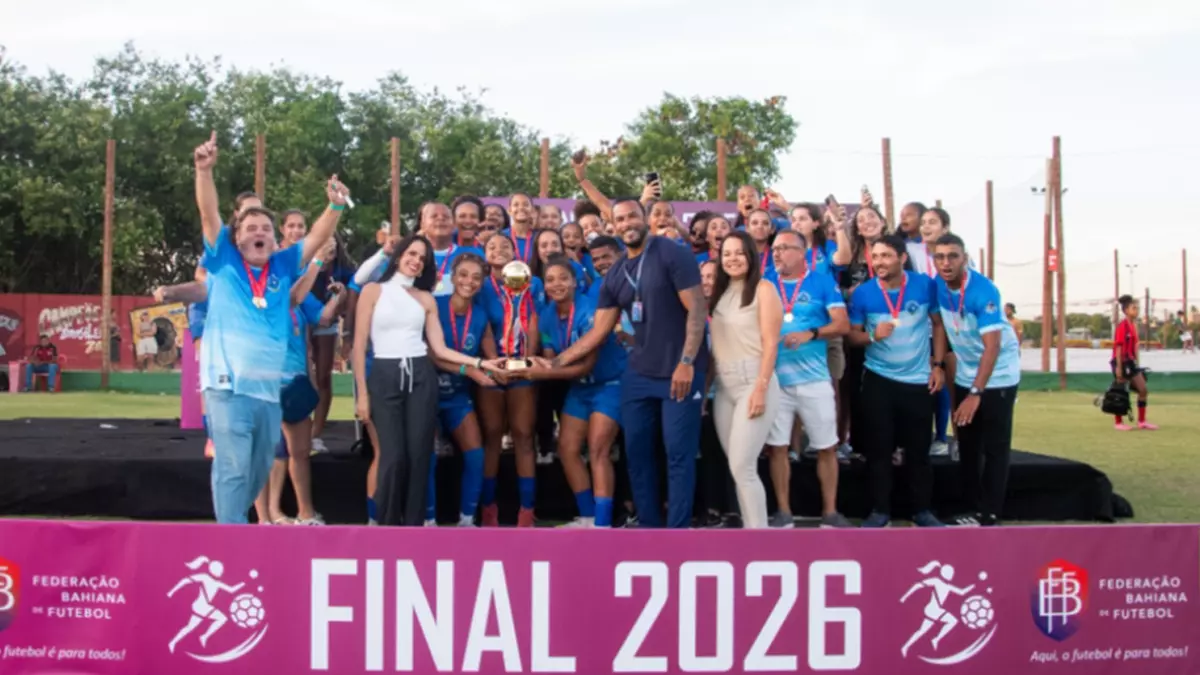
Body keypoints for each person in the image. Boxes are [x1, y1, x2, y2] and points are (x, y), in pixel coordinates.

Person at [192, 130, 344, 524]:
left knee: (261, 462)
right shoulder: (223, 259)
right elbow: (209, 215)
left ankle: (241, 524)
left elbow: (316, 238)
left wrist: (335, 206)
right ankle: (231, 538)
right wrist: (204, 172)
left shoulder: (281, 265)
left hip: (267, 387)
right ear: (236, 236)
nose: (258, 232)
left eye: (265, 229)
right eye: (250, 228)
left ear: (275, 240)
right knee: (232, 463)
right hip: (226, 384)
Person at [552, 197, 708, 529]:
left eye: (633, 216)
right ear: (613, 225)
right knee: (636, 454)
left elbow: (696, 310)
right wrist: (556, 361)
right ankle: (649, 528)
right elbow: (598, 331)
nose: (627, 224)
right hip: (639, 373)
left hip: (679, 368)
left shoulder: (671, 253)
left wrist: (687, 361)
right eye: (620, 219)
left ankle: (678, 532)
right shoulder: (615, 274)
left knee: (677, 454)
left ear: (646, 217)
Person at [352, 234, 503, 526]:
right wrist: (361, 394)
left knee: (420, 457)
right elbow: (359, 345)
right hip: (384, 374)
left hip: (421, 376)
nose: (415, 261)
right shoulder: (373, 291)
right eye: (411, 254)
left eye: (422, 258)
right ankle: (384, 526)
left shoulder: (425, 299)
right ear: (398, 255)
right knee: (392, 456)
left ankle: (414, 527)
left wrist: (480, 362)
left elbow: (440, 349)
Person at [847, 235, 947, 528]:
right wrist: (871, 336)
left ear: (902, 258)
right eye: (874, 257)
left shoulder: (924, 285)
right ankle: (880, 511)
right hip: (879, 379)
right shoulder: (863, 294)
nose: (878, 262)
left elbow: (938, 325)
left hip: (917, 381)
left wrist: (938, 365)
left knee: (919, 451)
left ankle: (922, 511)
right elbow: (852, 336)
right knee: (879, 451)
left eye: (886, 256)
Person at [764, 229, 853, 528]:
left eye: (785, 248)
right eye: (775, 248)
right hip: (775, 380)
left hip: (814, 379)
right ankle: (784, 512)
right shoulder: (765, 281)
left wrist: (812, 333)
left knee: (826, 446)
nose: (777, 253)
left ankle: (830, 512)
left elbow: (842, 324)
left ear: (802, 253)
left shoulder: (822, 281)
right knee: (777, 447)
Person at [528, 256, 626, 527]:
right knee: (567, 449)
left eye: (563, 278)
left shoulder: (589, 309)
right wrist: (538, 364)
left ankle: (603, 523)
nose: (556, 284)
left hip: (609, 384)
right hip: (580, 389)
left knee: (598, 449)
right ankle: (587, 516)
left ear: (575, 281)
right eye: (550, 280)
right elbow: (549, 354)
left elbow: (585, 365)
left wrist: (542, 371)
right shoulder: (546, 315)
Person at [932, 234, 1022, 527]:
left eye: (953, 256)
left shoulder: (983, 291)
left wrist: (975, 393)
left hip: (999, 373)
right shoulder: (937, 286)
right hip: (969, 370)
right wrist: (939, 364)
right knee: (967, 444)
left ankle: (989, 512)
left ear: (965, 258)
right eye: (940, 256)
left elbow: (992, 346)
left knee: (994, 446)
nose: (946, 263)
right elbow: (941, 325)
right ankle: (969, 507)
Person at [255, 251, 344, 525]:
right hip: (261, 380)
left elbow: (324, 318)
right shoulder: (254, 289)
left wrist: (338, 297)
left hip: (294, 381)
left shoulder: (299, 291)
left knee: (300, 451)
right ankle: (263, 519)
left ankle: (305, 513)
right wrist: (316, 262)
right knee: (261, 452)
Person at [707, 231, 783, 529]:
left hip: (754, 380)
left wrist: (761, 389)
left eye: (739, 252)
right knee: (737, 467)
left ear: (751, 255)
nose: (733, 259)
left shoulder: (764, 290)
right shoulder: (720, 293)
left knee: (743, 466)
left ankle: (759, 538)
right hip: (724, 388)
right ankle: (750, 535)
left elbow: (771, 344)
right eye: (727, 253)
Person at [476, 234, 543, 526]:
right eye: (492, 247)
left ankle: (527, 511)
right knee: (491, 436)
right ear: (484, 254)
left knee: (523, 437)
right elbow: (480, 325)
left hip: (523, 369)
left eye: (505, 246)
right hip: (493, 366)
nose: (499, 250)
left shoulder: (533, 282)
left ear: (516, 253)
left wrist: (526, 361)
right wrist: (494, 364)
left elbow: (534, 321)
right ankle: (488, 508)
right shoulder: (480, 285)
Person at [426, 253, 494, 527]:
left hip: (457, 397)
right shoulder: (433, 306)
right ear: (452, 278)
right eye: (463, 275)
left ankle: (467, 520)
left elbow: (491, 360)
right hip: (427, 395)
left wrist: (516, 366)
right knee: (426, 457)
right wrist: (471, 371)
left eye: (476, 277)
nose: (469, 282)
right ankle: (428, 520)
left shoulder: (480, 316)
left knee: (476, 455)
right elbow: (431, 354)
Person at [1112, 295, 1156, 431]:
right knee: (1120, 393)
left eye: (1137, 308)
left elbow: (1135, 346)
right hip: (1121, 361)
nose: (1136, 311)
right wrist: (1119, 368)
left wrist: (1136, 363)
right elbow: (1118, 347)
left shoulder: (1134, 326)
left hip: (1130, 362)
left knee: (1143, 390)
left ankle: (1142, 421)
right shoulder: (1122, 326)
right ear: (1126, 310)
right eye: (1133, 308)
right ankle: (1118, 423)